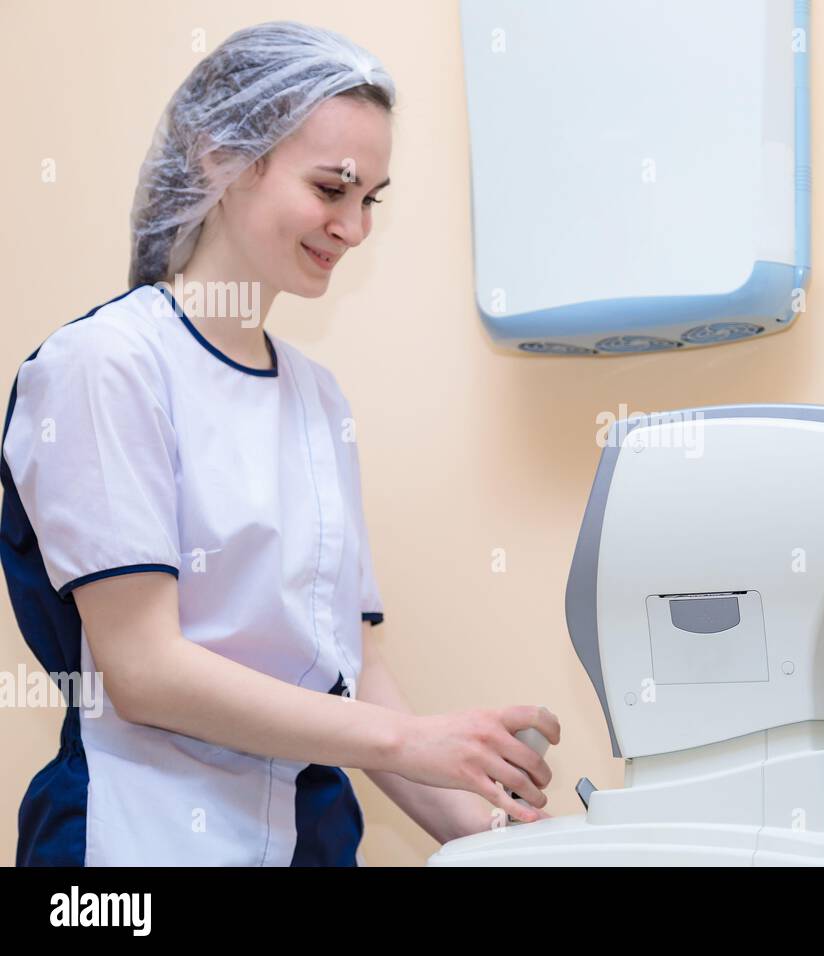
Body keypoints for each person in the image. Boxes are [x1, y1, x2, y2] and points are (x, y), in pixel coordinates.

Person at [2, 21, 558, 867]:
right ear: (222, 156)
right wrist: (408, 741)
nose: (355, 226)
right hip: (134, 843)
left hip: (309, 838)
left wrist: (517, 843)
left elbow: (352, 676)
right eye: (332, 188)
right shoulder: (107, 366)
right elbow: (142, 672)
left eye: (370, 198)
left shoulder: (316, 399)